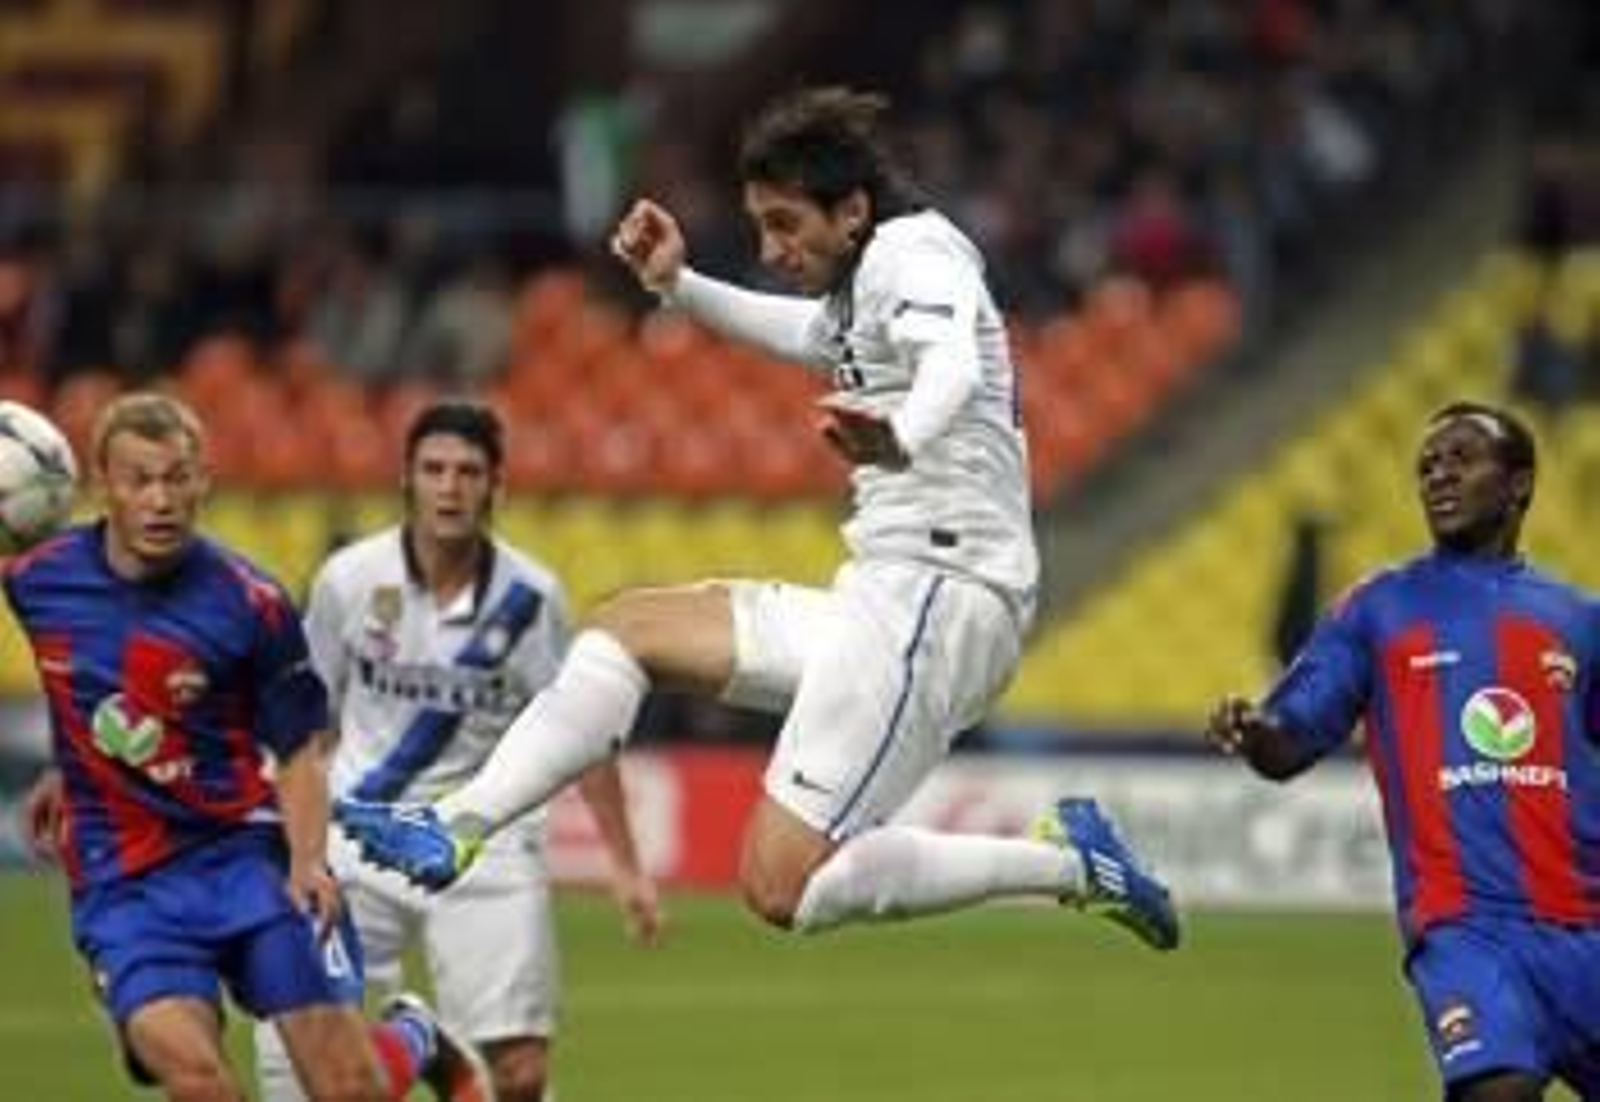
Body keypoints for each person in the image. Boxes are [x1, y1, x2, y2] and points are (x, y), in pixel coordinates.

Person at [337, 85, 1179, 950]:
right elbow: (809, 335)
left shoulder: (916, 255)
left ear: (851, 209)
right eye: (762, 226)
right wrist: (679, 286)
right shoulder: (862, 287)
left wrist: (900, 435)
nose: (772, 249)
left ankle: (1070, 866)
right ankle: (457, 824)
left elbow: (953, 368)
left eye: (785, 224)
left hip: (943, 594)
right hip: (886, 596)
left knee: (782, 886)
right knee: (630, 630)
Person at [8, 392, 492, 1102]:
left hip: (245, 859)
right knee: (199, 1080)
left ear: (203, 481)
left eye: (177, 478)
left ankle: (413, 1037)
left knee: (346, 1089)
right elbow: (90, 685)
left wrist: (306, 864)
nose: (161, 500)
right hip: (126, 882)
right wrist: (68, 761)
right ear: (102, 487)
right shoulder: (39, 580)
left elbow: (297, 751)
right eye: (140, 480)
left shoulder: (252, 603)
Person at [255, 400, 663, 1102]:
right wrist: (287, 838)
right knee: (316, 1059)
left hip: (484, 839)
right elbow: (304, 722)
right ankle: (421, 1042)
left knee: (521, 1075)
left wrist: (625, 866)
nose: (450, 487)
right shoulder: (349, 580)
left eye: (469, 472)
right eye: (434, 470)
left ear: (496, 486)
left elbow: (584, 732)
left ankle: (437, 1051)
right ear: (407, 481)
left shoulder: (532, 600)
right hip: (358, 832)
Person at [1206, 402, 1600, 1102]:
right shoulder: (1379, 609)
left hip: (1586, 924)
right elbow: (1291, 740)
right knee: (1498, 1089)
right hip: (1467, 926)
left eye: (1460, 460)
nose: (1438, 476)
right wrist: (1258, 732)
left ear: (1519, 485)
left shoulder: (1578, 620)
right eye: (1427, 466)